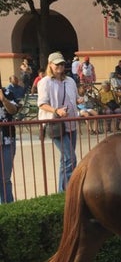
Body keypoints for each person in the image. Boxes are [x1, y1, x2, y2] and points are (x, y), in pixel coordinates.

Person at [37, 52, 79, 192]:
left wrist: (80, 100)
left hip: (72, 123)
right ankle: (68, 190)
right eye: (57, 64)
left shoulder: (70, 81)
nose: (60, 66)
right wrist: (56, 111)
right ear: (50, 65)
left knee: (65, 160)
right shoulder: (45, 82)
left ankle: (62, 191)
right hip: (55, 124)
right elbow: (42, 104)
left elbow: (76, 97)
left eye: (62, 64)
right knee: (71, 158)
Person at [0, 79, 19, 203]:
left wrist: (3, 100)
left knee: (5, 178)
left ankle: (8, 208)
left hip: (7, 141)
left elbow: (14, 110)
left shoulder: (7, 92)